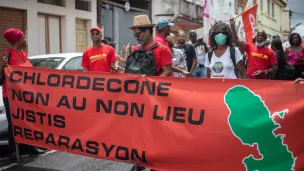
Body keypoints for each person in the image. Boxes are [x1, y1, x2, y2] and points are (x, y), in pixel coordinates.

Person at [0, 28, 45, 160]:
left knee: (30, 120)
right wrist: (3, 68)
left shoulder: (23, 53)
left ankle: (33, 146)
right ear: (16, 40)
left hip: (26, 94)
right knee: (14, 122)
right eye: (23, 37)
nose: (25, 39)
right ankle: (13, 150)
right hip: (11, 95)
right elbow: (2, 76)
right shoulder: (7, 54)